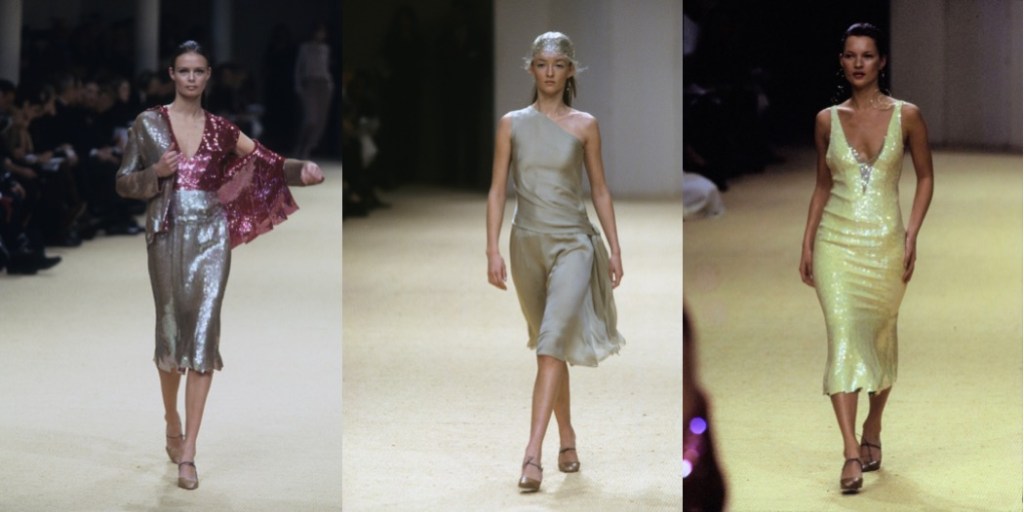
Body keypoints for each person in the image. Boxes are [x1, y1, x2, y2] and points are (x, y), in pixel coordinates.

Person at [115, 40, 325, 491]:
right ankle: (171, 420)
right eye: (184, 71)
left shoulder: (222, 128)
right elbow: (123, 183)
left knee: (204, 335)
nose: (191, 78)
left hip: (212, 236)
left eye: (198, 71)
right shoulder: (148, 123)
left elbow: (266, 161)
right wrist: (156, 174)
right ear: (172, 75)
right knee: (170, 332)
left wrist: (301, 170)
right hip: (166, 233)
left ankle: (189, 451)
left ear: (208, 75)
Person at [486, 31, 625, 493]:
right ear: (532, 69)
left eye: (558, 64)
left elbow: (599, 189)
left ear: (570, 71)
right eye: (542, 64)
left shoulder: (586, 125)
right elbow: (497, 189)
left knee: (549, 346)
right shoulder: (511, 124)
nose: (549, 72)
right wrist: (491, 249)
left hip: (574, 244)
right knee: (551, 345)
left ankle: (532, 456)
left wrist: (614, 247)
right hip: (525, 244)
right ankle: (568, 437)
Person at [799, 23, 933, 493]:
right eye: (851, 55)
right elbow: (822, 185)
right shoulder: (826, 120)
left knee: (879, 338)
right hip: (835, 243)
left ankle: (873, 424)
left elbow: (926, 177)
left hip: (886, 246)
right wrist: (807, 242)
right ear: (842, 61)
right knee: (842, 338)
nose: (858, 63)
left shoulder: (908, 116)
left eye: (867, 55)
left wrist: (912, 234)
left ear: (882, 62)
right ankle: (850, 452)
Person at [293, 22, 334, 159]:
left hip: (324, 85)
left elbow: (325, 68)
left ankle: (307, 149)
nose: (321, 34)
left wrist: (330, 85)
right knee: (310, 119)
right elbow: (298, 67)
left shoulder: (325, 49)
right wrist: (298, 85)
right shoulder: (305, 48)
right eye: (319, 31)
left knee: (321, 121)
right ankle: (300, 146)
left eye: (323, 32)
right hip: (309, 83)